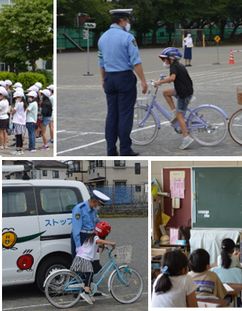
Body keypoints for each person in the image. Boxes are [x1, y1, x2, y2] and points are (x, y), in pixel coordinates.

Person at [98, 9, 147, 156]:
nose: (128, 24)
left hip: (109, 78)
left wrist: (103, 79)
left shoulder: (102, 38)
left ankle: (111, 150)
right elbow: (135, 62)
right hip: (125, 78)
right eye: (128, 21)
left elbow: (101, 62)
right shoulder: (127, 37)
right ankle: (125, 149)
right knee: (125, 114)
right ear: (122, 20)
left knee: (112, 115)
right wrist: (143, 80)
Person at [154, 47, 196, 150]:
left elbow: (172, 78)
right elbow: (175, 78)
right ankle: (174, 112)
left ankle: (186, 138)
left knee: (180, 116)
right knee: (166, 92)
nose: (163, 61)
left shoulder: (174, 67)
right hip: (184, 90)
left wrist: (159, 82)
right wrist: (164, 79)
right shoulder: (178, 65)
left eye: (164, 59)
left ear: (171, 59)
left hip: (183, 93)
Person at [70, 221, 116, 305]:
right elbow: (98, 241)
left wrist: (105, 246)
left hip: (80, 257)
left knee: (85, 274)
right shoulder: (95, 237)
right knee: (90, 273)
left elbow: (97, 244)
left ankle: (89, 293)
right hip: (84, 258)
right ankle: (86, 293)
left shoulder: (91, 236)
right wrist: (110, 243)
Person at [71, 190, 110, 261]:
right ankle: (77, 272)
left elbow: (98, 223)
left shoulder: (94, 210)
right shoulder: (79, 209)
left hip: (90, 238)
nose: (99, 207)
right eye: (99, 205)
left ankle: (88, 272)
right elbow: (76, 229)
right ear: (94, 201)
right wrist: (78, 245)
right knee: (79, 260)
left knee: (89, 261)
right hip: (81, 237)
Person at [10, 90, 28, 156]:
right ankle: (20, 149)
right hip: (22, 122)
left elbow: (14, 111)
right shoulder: (24, 103)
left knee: (17, 136)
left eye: (17, 97)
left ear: (20, 97)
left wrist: (12, 115)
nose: (16, 99)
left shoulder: (19, 103)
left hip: (17, 121)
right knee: (20, 136)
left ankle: (17, 149)